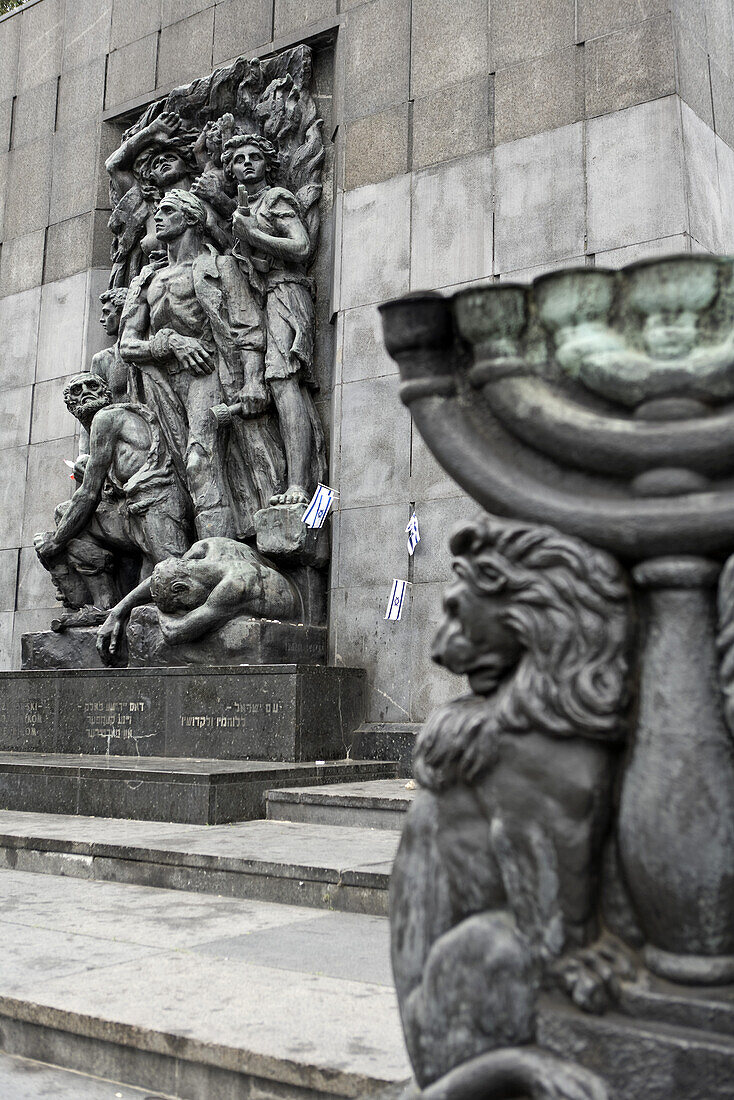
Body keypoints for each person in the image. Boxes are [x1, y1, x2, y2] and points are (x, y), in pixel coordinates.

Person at [119, 188, 285, 541]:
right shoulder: (146, 281)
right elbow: (127, 345)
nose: (157, 218)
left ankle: (216, 552)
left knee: (199, 461)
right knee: (179, 469)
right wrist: (170, 342)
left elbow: (249, 327)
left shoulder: (220, 266)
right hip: (162, 384)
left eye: (166, 210)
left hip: (209, 373)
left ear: (191, 218)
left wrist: (254, 381)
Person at [33, 374, 192, 628]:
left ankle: (119, 609)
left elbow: (88, 494)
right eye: (76, 390)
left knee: (174, 573)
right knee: (65, 513)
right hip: (131, 512)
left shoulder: (106, 417)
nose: (85, 392)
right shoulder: (106, 428)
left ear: (106, 393)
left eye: (92, 386)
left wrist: (56, 542)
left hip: (156, 502)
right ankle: (102, 606)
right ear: (71, 405)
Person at [224, 133, 326, 506]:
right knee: (277, 383)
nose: (246, 162)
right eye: (238, 159)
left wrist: (253, 233)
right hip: (265, 296)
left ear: (268, 163)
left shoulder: (276, 198)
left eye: (254, 156)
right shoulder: (243, 207)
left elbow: (301, 248)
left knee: (284, 382)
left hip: (287, 289)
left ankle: (299, 485)